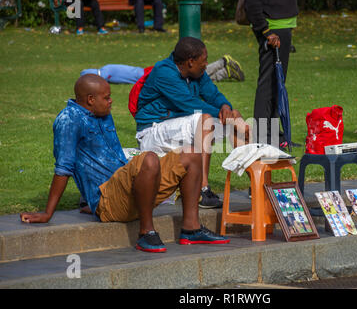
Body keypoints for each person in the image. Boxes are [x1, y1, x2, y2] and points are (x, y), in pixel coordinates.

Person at [19, 74, 230, 253]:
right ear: (90, 99)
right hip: (108, 200)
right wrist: (48, 213)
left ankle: (191, 229)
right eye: (106, 98)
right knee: (148, 158)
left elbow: (111, 160)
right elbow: (64, 167)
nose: (111, 101)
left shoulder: (102, 114)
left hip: (127, 191)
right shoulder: (68, 120)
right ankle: (146, 232)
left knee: (191, 155)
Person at [134, 37, 250, 209]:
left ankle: (256, 183)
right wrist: (230, 118)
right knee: (205, 120)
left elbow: (213, 95)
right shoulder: (164, 72)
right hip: (152, 132)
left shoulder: (197, 73)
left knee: (232, 116)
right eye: (204, 61)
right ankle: (201, 190)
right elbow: (190, 105)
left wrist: (227, 108)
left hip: (179, 126)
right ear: (190, 62)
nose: (207, 64)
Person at [244, 0, 300, 150]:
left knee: (277, 83)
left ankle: (274, 135)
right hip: (272, 29)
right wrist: (265, 30)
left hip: (282, 26)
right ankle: (263, 136)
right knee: (268, 84)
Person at [79, 55, 245, 84]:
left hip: (149, 74)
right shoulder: (106, 71)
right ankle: (225, 72)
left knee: (192, 74)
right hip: (148, 72)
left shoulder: (106, 73)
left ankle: (223, 63)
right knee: (193, 78)